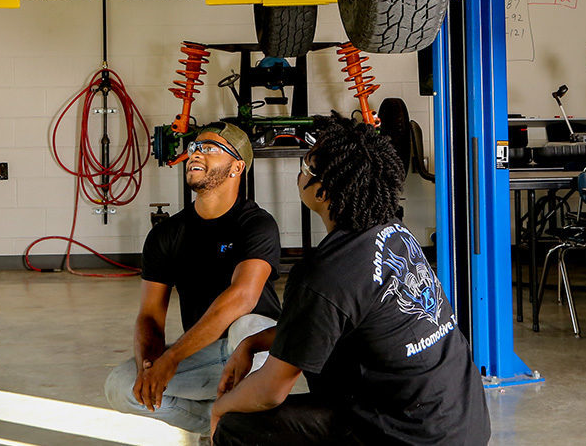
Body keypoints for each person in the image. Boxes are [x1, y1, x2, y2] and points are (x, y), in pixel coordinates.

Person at [210, 116, 492, 445]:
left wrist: (220, 408)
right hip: (464, 423)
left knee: (237, 425)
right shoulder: (394, 233)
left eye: (306, 166)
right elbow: (326, 322)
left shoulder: (324, 273)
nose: (300, 172)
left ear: (324, 190)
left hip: (412, 435)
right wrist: (252, 343)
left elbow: (270, 392)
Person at [104, 122, 283, 435]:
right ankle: (222, 424)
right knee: (120, 386)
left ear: (236, 167)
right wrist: (150, 366)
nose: (195, 154)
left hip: (258, 356)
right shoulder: (166, 234)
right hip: (207, 355)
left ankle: (241, 417)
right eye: (193, 148)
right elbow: (149, 316)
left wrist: (172, 358)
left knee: (249, 324)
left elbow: (243, 297)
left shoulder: (255, 224)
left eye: (209, 148)